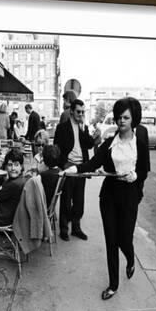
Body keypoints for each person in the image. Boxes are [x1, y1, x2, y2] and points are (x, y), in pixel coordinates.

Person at [63, 97, 150, 300]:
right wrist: (72, 169)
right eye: (119, 117)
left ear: (134, 118)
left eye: (126, 117)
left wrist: (135, 176)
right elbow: (93, 162)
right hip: (109, 196)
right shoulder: (110, 142)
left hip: (129, 197)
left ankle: (130, 259)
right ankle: (113, 285)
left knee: (124, 240)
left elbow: (144, 170)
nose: (121, 121)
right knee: (111, 240)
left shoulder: (140, 144)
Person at [53, 99, 94, 241]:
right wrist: (63, 165)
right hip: (68, 166)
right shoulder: (62, 127)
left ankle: (76, 228)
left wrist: (84, 130)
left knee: (79, 200)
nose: (81, 114)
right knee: (66, 199)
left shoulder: (84, 127)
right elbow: (56, 150)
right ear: (71, 111)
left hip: (81, 167)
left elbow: (90, 145)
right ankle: (64, 229)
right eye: (78, 112)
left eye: (83, 112)